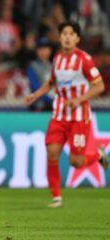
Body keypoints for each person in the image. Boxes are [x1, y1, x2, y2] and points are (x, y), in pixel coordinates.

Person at [24, 21, 109, 208]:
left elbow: (100, 86)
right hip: (59, 115)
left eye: (71, 34)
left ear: (77, 39)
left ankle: (99, 155)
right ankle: (56, 197)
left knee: (76, 162)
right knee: (52, 152)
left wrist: (79, 99)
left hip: (79, 117)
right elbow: (51, 82)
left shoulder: (84, 59)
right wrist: (35, 95)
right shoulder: (57, 59)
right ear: (60, 37)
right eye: (64, 34)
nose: (67, 37)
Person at [26, 37, 53, 111]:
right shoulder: (33, 67)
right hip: (40, 102)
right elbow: (35, 87)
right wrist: (51, 100)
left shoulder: (53, 66)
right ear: (37, 51)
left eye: (46, 48)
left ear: (50, 50)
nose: (43, 51)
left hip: (53, 101)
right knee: (40, 104)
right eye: (41, 49)